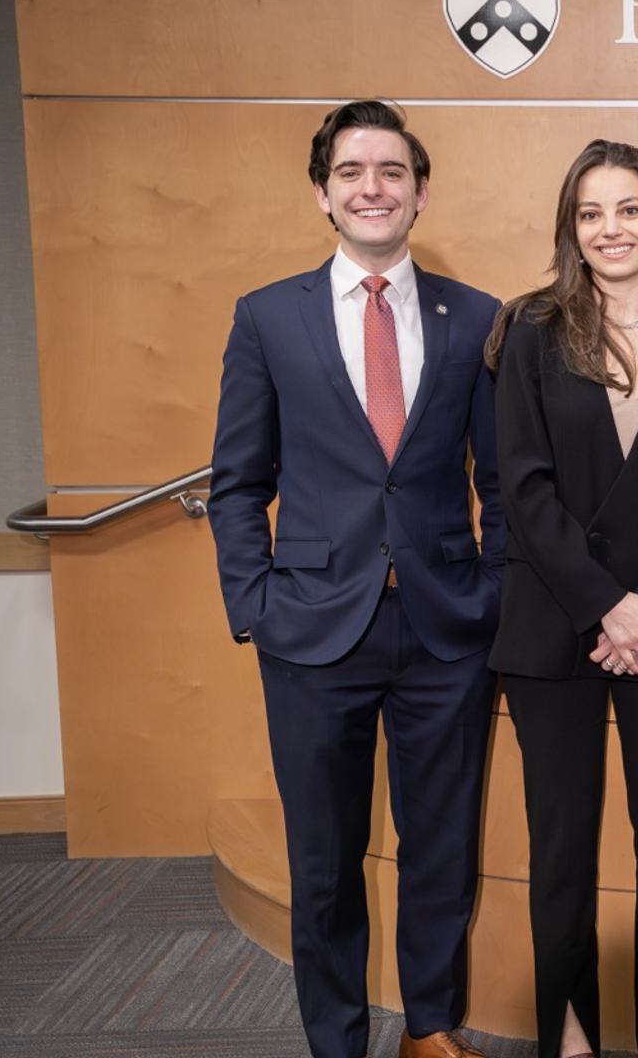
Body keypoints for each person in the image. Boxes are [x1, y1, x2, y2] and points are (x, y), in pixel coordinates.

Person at [209, 100, 504, 1058]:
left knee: (442, 852)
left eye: (390, 171)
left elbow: (500, 485)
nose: (371, 188)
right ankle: (335, 1040)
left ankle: (429, 1027)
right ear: (323, 195)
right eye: (350, 172)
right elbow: (238, 483)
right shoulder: (268, 318)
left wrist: (491, 591)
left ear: (420, 192)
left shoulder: (477, 322)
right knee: (325, 861)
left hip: (443, 630)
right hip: (307, 630)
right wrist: (253, 604)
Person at [485, 139, 638, 1058]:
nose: (611, 228)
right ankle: (572, 1034)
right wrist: (606, 606)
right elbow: (524, 487)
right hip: (555, 628)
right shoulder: (529, 333)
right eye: (591, 213)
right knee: (562, 852)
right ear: (572, 230)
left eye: (628, 209)